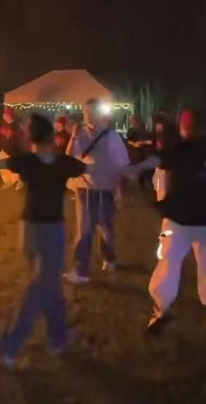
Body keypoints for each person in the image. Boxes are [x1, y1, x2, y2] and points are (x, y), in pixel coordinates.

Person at [0, 114, 92, 368]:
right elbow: (96, 169)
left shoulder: (27, 161)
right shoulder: (62, 162)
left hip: (29, 232)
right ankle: (11, 343)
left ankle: (58, 338)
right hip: (50, 232)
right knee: (41, 289)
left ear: (32, 139)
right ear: (51, 137)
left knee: (51, 286)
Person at [129, 109, 206, 332]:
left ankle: (161, 308)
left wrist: (162, 204)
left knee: (169, 261)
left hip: (178, 218)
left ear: (186, 128)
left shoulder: (178, 150)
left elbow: (159, 170)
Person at [65, 99, 130, 284]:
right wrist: (73, 137)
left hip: (105, 188)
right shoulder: (80, 134)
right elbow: (69, 158)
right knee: (84, 229)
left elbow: (122, 165)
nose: (87, 116)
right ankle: (81, 270)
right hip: (84, 187)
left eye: (91, 112)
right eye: (85, 112)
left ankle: (109, 257)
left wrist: (119, 191)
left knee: (106, 228)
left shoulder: (112, 137)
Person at [0, 108, 26, 190]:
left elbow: (19, 137)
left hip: (13, 151)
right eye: (4, 114)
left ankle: (17, 182)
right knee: (3, 168)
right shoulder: (2, 125)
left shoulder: (15, 126)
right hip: (4, 150)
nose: (4, 116)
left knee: (13, 168)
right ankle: (7, 182)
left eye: (6, 114)